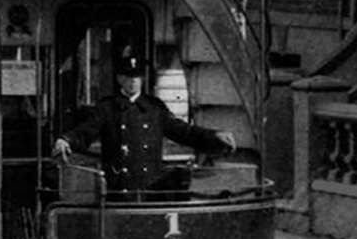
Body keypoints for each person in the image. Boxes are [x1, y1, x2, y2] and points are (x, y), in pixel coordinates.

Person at [52, 52, 236, 193]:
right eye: (128, 77)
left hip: (150, 187)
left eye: (137, 76)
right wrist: (66, 140)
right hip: (119, 189)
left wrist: (214, 136)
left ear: (142, 78)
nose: (133, 81)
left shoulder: (154, 108)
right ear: (119, 79)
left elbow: (184, 132)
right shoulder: (107, 108)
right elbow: (86, 130)